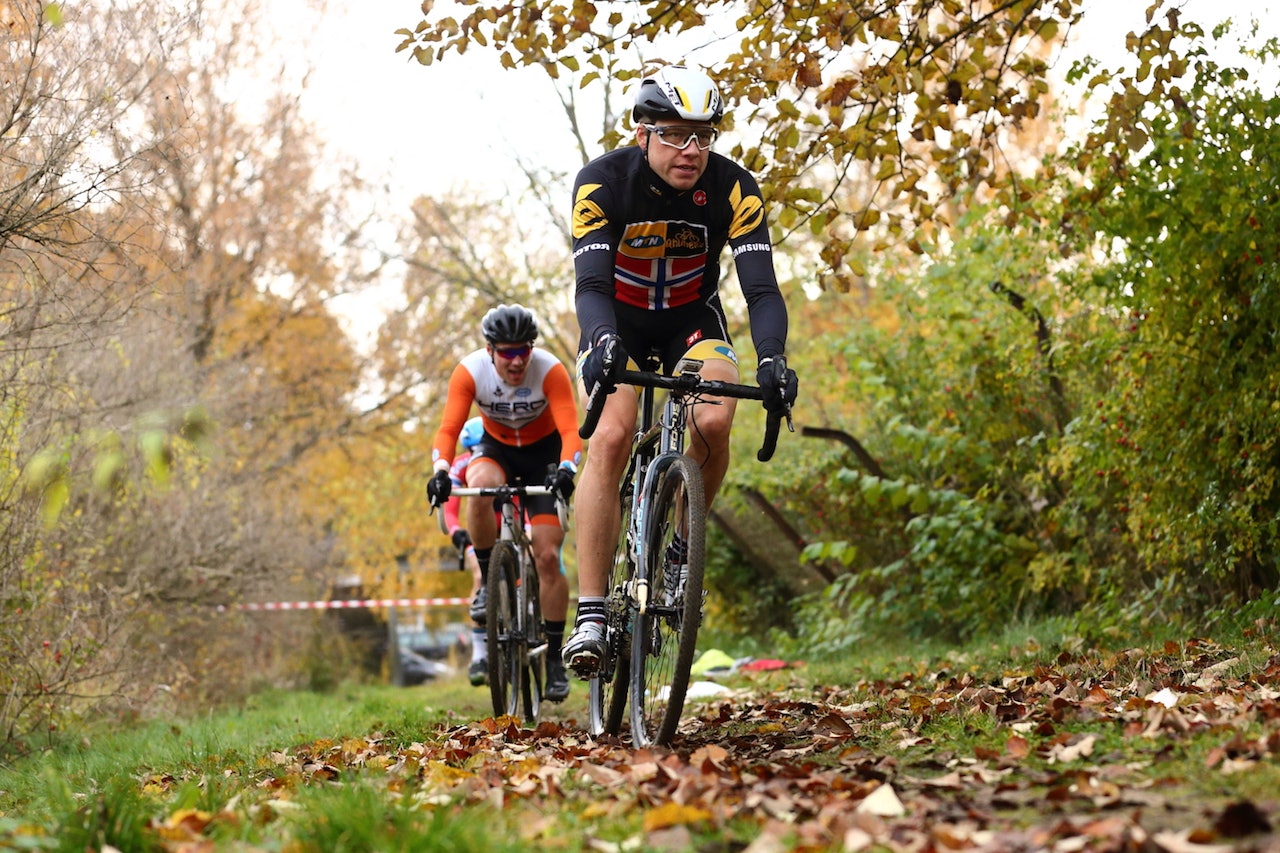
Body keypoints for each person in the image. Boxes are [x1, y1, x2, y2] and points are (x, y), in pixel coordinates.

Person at [562, 65, 799, 677]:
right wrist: (603, 340)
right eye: (673, 134)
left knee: (716, 417)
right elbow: (589, 284)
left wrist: (773, 357)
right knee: (611, 435)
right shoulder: (602, 184)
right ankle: (590, 612)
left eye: (703, 135)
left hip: (692, 323)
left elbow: (762, 290)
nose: (691, 150)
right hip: (618, 324)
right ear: (642, 134)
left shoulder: (734, 188)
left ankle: (677, 550)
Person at [426, 304, 583, 702]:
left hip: (543, 456)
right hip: (497, 450)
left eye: (523, 351)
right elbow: (449, 427)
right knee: (478, 485)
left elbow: (570, 428)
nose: (516, 362)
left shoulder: (549, 370)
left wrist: (566, 468)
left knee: (548, 556)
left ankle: (553, 661)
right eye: (507, 352)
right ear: (490, 349)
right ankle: (488, 579)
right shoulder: (469, 371)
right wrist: (442, 470)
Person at [440, 416, 489, 685]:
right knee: (480, 577)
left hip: (508, 519)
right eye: (474, 449)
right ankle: (479, 654)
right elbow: (450, 507)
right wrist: (457, 531)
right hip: (475, 529)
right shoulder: (460, 464)